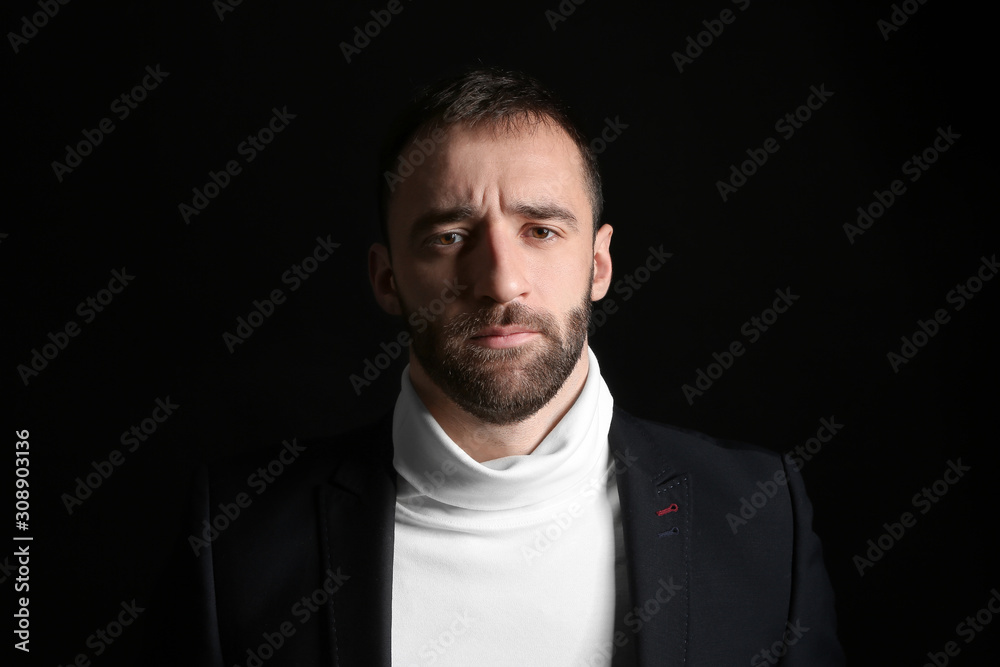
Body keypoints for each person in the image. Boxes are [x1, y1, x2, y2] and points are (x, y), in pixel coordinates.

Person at [145, 68, 845, 666]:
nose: (501, 281)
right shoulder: (237, 538)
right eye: (451, 236)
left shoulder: (757, 514)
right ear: (387, 278)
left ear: (598, 263)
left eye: (540, 230)